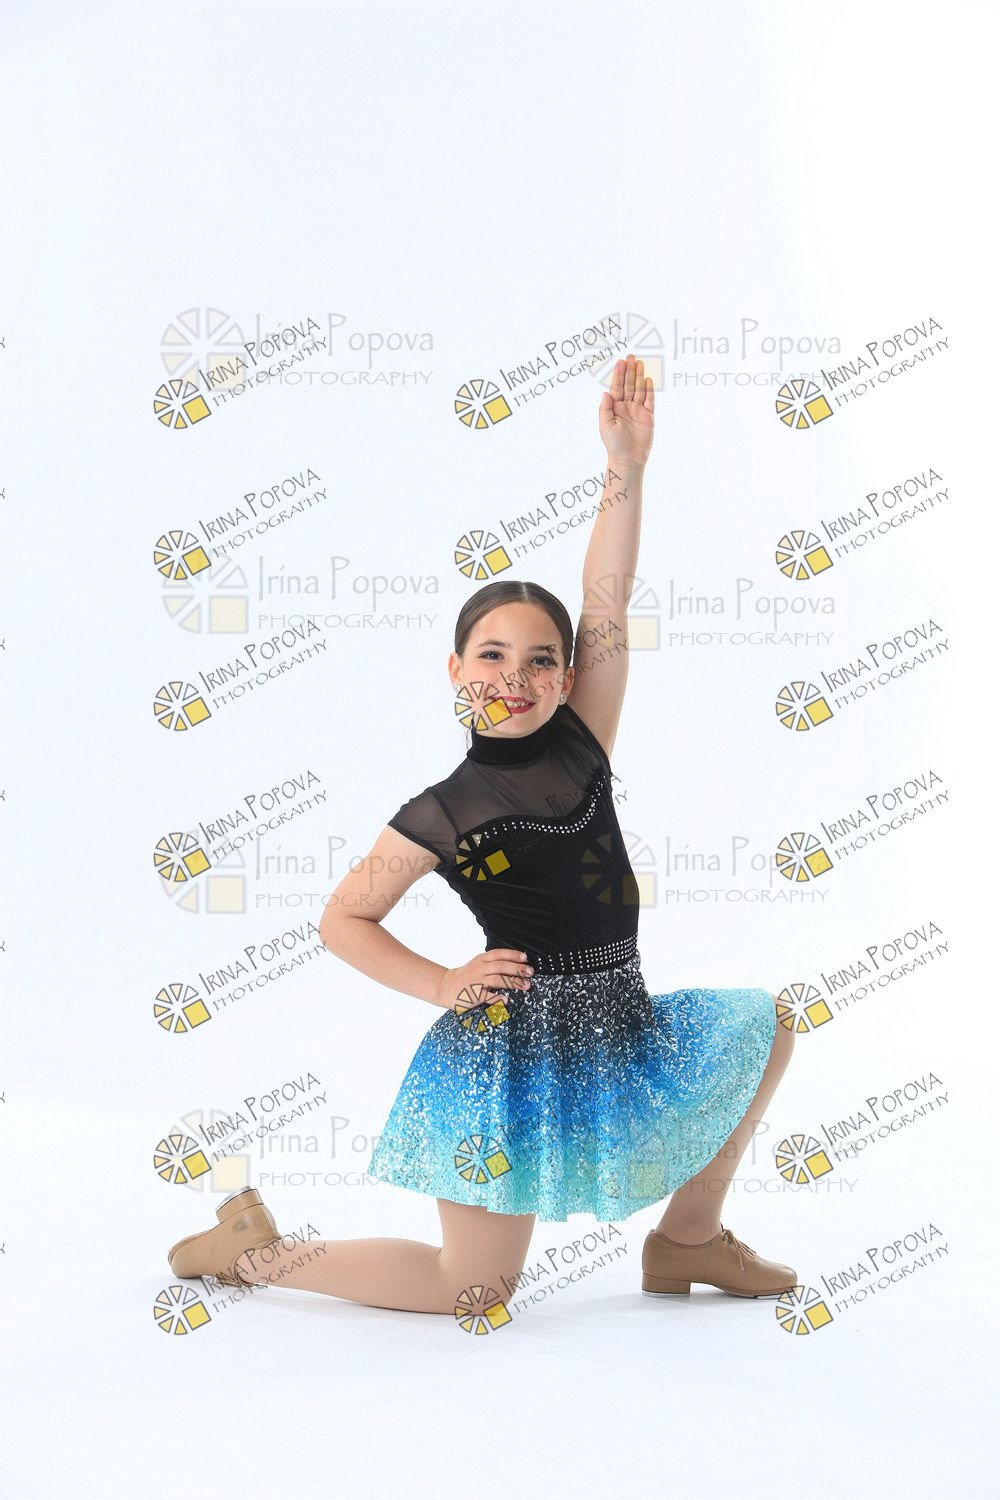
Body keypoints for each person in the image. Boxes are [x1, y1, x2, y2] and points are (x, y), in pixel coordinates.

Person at [166, 354, 797, 1313]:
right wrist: (441, 983)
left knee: (765, 1025)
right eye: (492, 654)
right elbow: (343, 919)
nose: (516, 676)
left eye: (542, 660)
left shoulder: (583, 742)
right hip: (509, 1061)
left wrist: (625, 464)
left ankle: (686, 1242)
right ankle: (254, 1253)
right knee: (473, 1289)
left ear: (567, 677)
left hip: (618, 1029)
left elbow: (606, 600)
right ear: (455, 669)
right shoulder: (444, 811)